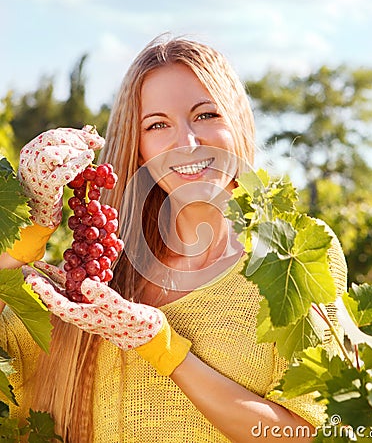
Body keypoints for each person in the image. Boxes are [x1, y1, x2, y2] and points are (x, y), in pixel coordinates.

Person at [0, 35, 347, 443]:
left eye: (204, 115)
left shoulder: (294, 260)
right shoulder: (100, 281)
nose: (186, 142)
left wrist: (163, 347)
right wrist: (29, 232)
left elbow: (312, 434)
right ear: (141, 148)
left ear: (236, 122)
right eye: (158, 125)